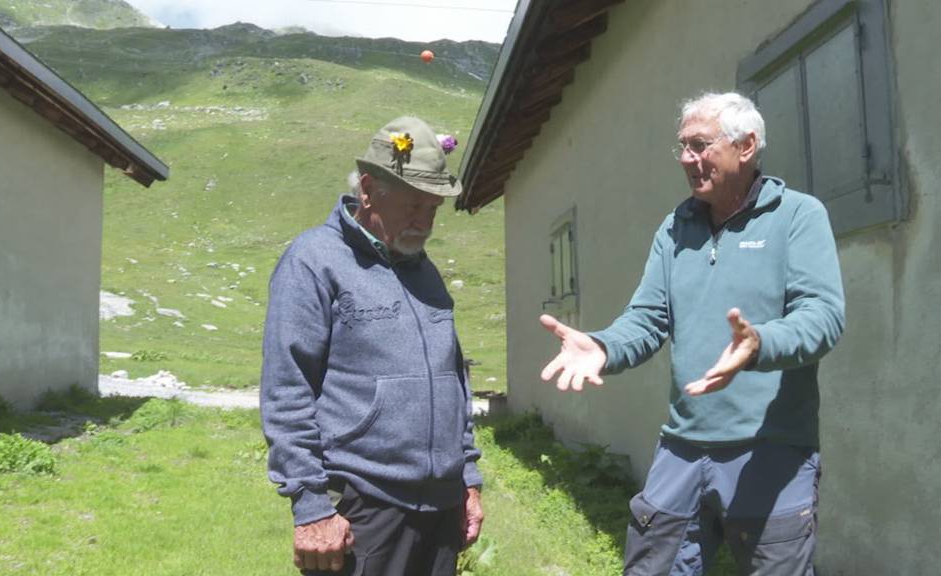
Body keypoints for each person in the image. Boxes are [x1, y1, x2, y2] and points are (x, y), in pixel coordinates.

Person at [540, 92, 845, 575]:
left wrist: (759, 344)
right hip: (682, 449)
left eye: (700, 145)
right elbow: (647, 319)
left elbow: (823, 317)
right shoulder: (675, 228)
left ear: (745, 146)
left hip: (771, 448)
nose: (687, 158)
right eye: (682, 146)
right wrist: (603, 346)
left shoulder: (798, 216)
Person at [261, 116, 483, 575]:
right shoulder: (314, 261)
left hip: (442, 506)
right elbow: (288, 389)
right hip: (365, 507)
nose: (425, 222)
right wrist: (311, 507)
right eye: (413, 206)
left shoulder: (425, 270)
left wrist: (468, 479)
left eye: (434, 209)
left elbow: (454, 381)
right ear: (368, 188)